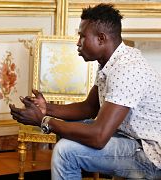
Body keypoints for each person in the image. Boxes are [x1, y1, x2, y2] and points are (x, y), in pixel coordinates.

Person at [10, 3, 161, 180]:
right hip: (129, 137)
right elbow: (89, 107)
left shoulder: (127, 70)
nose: (78, 42)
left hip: (150, 155)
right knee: (72, 129)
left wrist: (44, 121)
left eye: (82, 36)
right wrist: (46, 108)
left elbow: (98, 137)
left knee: (65, 151)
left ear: (101, 39)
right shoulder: (110, 62)